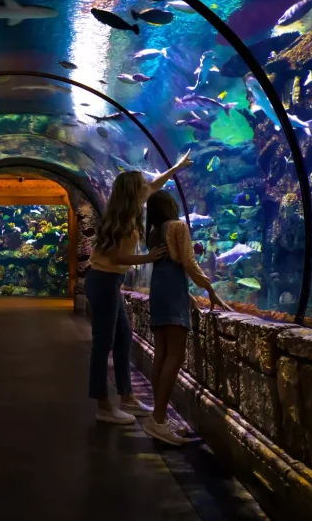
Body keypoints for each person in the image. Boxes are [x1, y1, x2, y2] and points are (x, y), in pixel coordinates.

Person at [86, 151, 194, 425]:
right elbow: (114, 258)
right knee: (103, 343)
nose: (145, 189)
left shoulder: (131, 210)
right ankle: (103, 405)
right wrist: (146, 258)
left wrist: (177, 167)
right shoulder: (120, 221)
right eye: (140, 186)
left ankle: (127, 397)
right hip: (103, 280)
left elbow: (156, 184)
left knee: (123, 338)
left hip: (112, 281)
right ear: (131, 192)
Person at [142, 190, 232, 445]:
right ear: (170, 206)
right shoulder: (178, 227)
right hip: (172, 292)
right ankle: (158, 419)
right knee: (175, 356)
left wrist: (189, 298)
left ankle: (157, 418)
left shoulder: (153, 232)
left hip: (159, 290)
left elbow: (167, 267)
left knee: (161, 353)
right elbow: (189, 264)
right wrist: (210, 290)